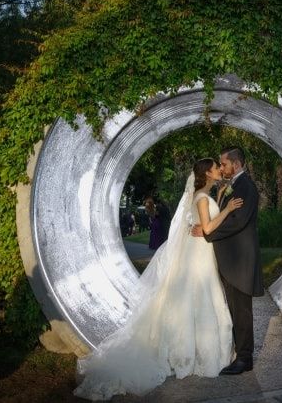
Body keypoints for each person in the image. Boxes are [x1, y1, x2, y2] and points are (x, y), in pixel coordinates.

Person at [74, 159, 243, 400]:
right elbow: (206, 228)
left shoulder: (202, 194)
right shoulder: (202, 198)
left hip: (199, 253)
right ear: (208, 172)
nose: (220, 170)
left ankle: (194, 352)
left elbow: (198, 226)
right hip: (199, 256)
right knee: (200, 297)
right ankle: (193, 355)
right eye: (216, 167)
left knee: (195, 298)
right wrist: (227, 209)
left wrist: (221, 196)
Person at [192, 146, 263, 375]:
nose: (221, 168)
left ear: (237, 163)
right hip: (230, 261)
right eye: (219, 165)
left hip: (240, 261)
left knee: (242, 311)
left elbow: (237, 221)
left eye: (223, 164)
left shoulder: (246, 187)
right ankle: (238, 353)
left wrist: (208, 233)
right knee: (234, 309)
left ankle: (244, 359)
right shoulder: (233, 186)